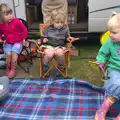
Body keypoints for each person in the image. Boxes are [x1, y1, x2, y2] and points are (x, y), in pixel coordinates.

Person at [94, 12, 120, 120]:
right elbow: (102, 53)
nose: (110, 34)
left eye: (114, 32)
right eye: (109, 31)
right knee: (117, 83)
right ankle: (106, 104)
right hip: (115, 69)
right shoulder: (110, 42)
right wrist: (100, 61)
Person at [41, 9, 73, 76]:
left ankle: (60, 67)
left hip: (59, 46)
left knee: (60, 53)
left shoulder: (65, 29)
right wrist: (44, 39)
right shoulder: (48, 29)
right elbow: (43, 37)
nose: (60, 24)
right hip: (49, 45)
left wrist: (68, 38)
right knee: (50, 54)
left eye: (61, 22)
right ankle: (45, 66)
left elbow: (67, 37)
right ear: (53, 21)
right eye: (57, 22)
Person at [0, 3, 28, 78]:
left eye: (10, 13)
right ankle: (8, 67)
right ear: (1, 16)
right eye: (7, 14)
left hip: (18, 42)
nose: (10, 16)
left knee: (14, 53)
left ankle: (13, 69)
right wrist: (1, 38)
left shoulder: (16, 21)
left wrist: (23, 39)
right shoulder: (1, 24)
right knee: (8, 54)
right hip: (8, 43)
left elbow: (24, 30)